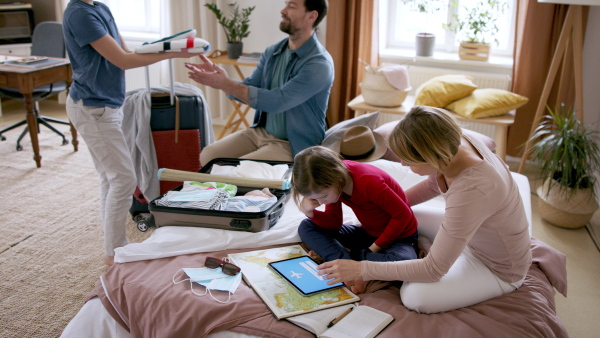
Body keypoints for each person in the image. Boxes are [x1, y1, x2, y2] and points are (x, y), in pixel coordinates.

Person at [316, 106, 532, 313]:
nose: (402, 164)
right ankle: (432, 248)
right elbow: (433, 184)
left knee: (415, 297)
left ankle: (433, 251)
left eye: (408, 161)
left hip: (497, 267)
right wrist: (384, 207)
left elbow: (433, 270)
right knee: (402, 215)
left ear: (431, 157)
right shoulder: (452, 141)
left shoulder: (474, 189)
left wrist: (361, 268)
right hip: (474, 232)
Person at [63, 0, 202, 266]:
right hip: (93, 108)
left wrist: (170, 44)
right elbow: (123, 61)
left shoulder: (100, 7)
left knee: (110, 177)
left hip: (107, 104)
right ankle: (115, 250)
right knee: (124, 179)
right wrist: (173, 54)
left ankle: (111, 248)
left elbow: (128, 51)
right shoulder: (80, 13)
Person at [186, 0, 334, 166]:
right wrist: (222, 80)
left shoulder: (318, 64)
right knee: (208, 155)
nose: (283, 11)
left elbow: (278, 101)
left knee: (240, 170)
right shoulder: (273, 51)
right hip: (260, 132)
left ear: (311, 16)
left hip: (292, 143)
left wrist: (226, 84)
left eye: (291, 6)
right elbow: (251, 86)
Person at [292, 141, 419, 294]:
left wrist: (374, 248)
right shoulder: (336, 184)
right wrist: (310, 213)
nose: (320, 202)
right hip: (367, 234)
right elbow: (335, 224)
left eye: (323, 196)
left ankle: (346, 263)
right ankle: (347, 265)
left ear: (336, 178)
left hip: (399, 237)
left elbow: (403, 215)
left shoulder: (368, 181)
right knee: (306, 226)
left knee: (405, 265)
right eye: (315, 199)